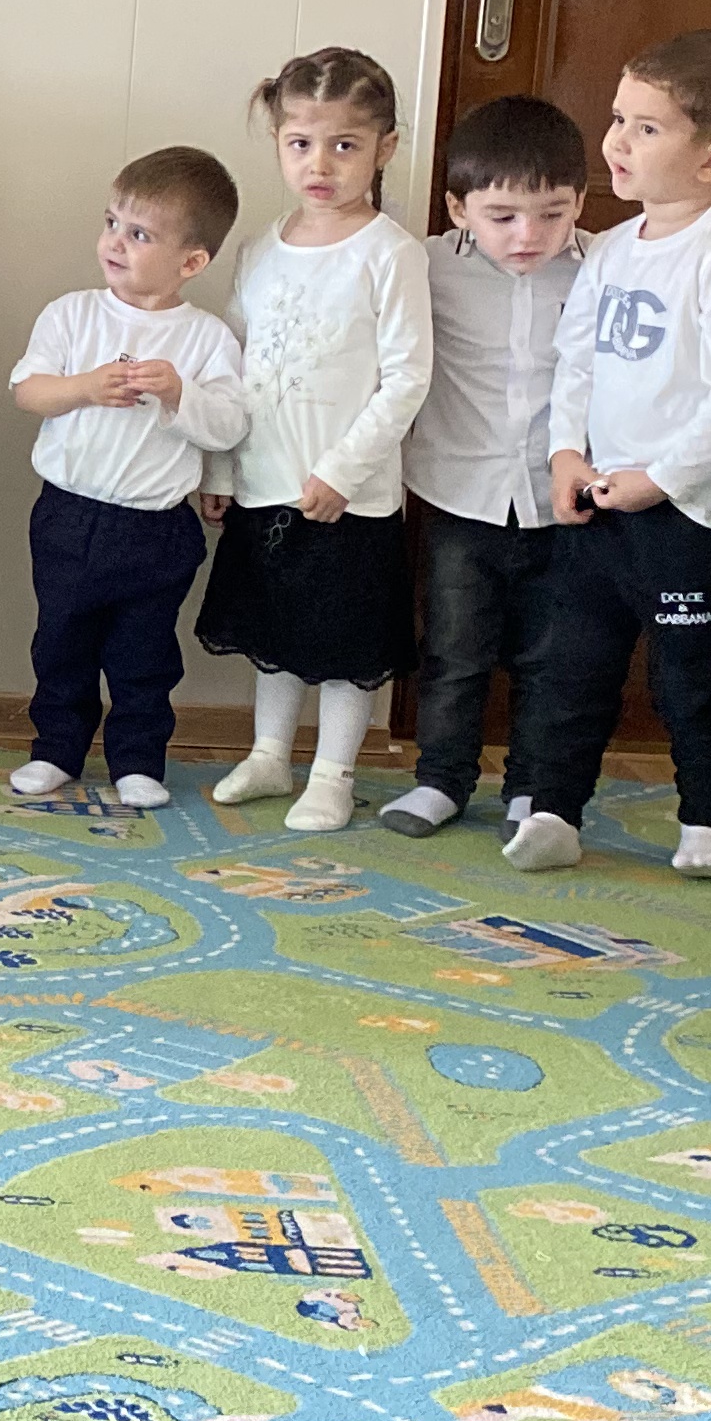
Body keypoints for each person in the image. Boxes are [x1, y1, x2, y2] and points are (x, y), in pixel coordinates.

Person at [504, 29, 711, 876]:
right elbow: (576, 360)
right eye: (618, 120)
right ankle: (555, 809)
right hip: (600, 503)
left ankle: (708, 820)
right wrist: (566, 454)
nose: (618, 141)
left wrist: (659, 479)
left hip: (688, 515)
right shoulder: (614, 248)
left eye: (647, 128)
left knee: (692, 675)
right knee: (574, 664)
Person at [201, 48, 431, 833]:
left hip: (347, 494)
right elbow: (231, 366)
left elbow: (407, 379)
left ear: (384, 148)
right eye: (301, 143)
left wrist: (342, 471)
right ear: (278, 142)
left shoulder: (390, 254)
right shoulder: (260, 249)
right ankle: (270, 753)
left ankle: (333, 773)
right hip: (264, 480)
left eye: (344, 145)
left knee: (343, 644)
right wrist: (221, 468)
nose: (320, 164)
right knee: (275, 629)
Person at [7, 149, 249, 806]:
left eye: (139, 234)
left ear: (191, 262)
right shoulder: (71, 314)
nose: (115, 242)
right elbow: (29, 391)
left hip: (155, 527)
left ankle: (138, 760)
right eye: (112, 222)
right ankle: (56, 749)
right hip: (68, 513)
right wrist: (85, 387)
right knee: (60, 642)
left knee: (144, 654)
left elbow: (229, 426)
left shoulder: (205, 339)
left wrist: (178, 393)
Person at [386, 94, 590, 836]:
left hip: (563, 499)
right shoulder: (427, 267)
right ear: (458, 208)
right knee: (453, 650)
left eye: (552, 213)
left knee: (551, 657)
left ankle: (532, 789)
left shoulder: (604, 268)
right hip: (459, 493)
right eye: (502, 216)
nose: (527, 235)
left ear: (580, 202)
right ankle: (441, 780)